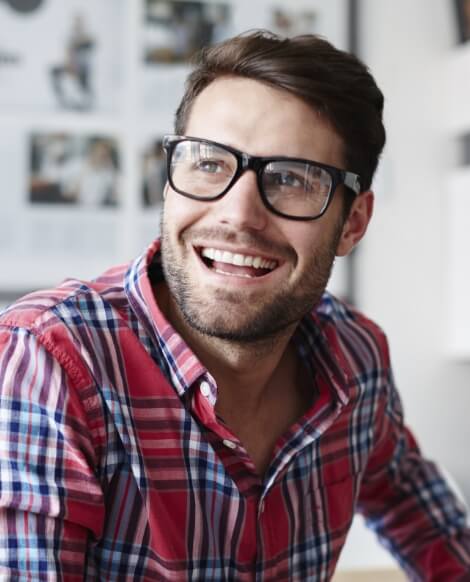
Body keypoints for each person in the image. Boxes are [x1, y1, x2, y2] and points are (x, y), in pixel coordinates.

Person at [0, 30, 469, 581]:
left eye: (293, 178)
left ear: (354, 222)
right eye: (208, 163)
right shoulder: (46, 364)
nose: (239, 214)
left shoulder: (357, 359)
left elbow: (422, 514)